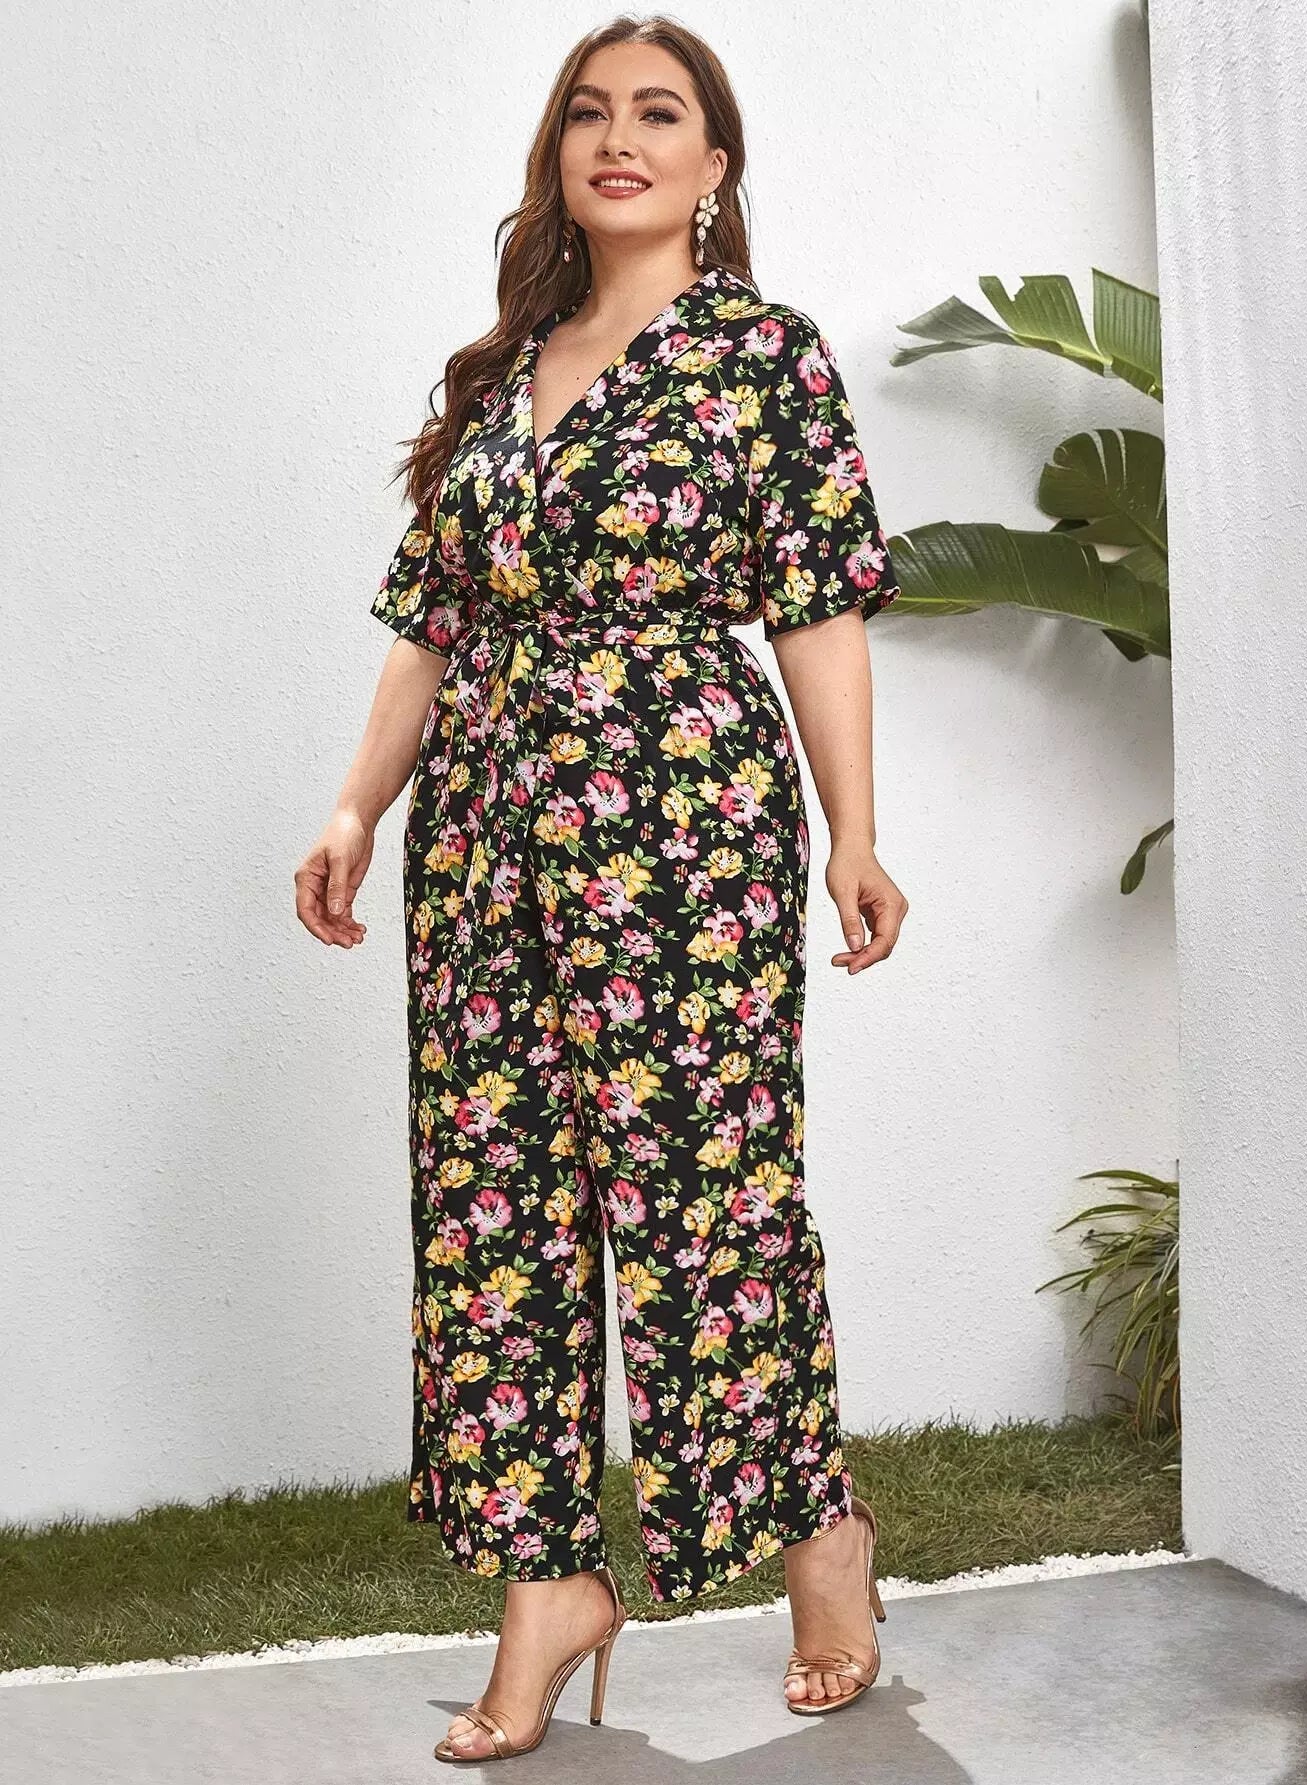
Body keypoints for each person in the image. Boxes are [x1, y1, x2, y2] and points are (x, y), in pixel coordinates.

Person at [295, 14, 909, 1766]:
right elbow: (431, 621)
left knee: (711, 1197)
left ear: (715, 163)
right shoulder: (501, 373)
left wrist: (856, 833)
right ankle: (547, 1583)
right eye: (588, 113)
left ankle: (818, 1534)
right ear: (557, 155)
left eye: (657, 112)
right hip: (484, 833)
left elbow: (817, 610)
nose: (617, 138)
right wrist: (354, 804)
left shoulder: (763, 358)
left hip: (682, 824)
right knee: (494, 1212)